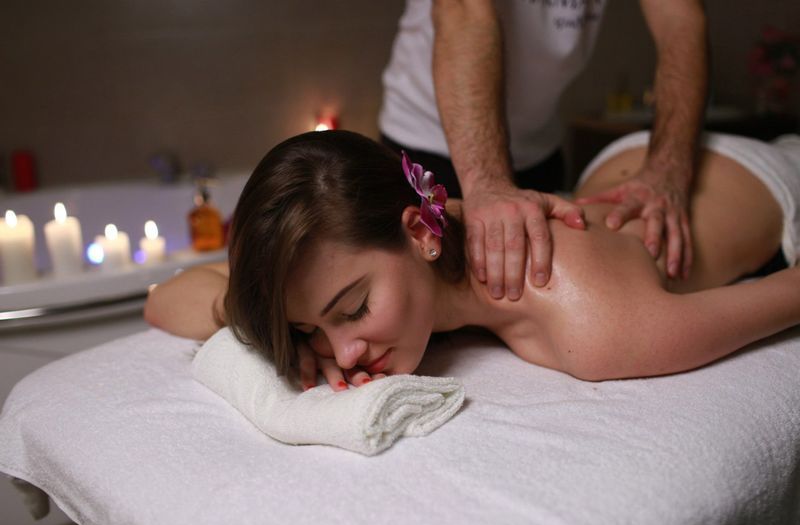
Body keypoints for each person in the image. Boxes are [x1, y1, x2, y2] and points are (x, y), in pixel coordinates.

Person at [144, 130, 800, 392]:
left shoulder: (592, 324)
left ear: (420, 233)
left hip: (767, 179)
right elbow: (162, 301)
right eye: (312, 327)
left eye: (354, 310)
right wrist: (281, 331)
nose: (344, 353)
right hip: (615, 168)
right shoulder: (361, 243)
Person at [379, 0, 708, 300]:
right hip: (430, 145)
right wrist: (487, 182)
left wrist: (668, 170)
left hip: (539, 151)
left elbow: (681, 19)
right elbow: (464, 10)